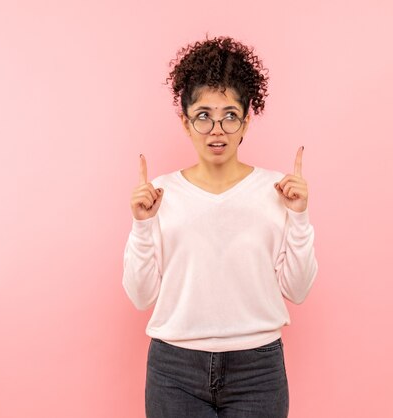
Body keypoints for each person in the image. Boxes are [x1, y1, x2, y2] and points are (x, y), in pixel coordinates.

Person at [122, 34, 318, 418]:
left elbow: (297, 289)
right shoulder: (159, 194)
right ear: (186, 122)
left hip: (257, 370)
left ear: (246, 121)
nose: (217, 129)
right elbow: (140, 296)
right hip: (174, 369)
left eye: (230, 115)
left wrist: (299, 216)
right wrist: (142, 226)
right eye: (204, 116)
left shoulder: (277, 191)